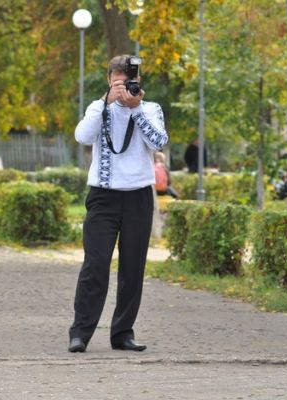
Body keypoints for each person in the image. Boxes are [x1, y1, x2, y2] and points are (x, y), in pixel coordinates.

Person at [69, 54, 168, 353]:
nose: (124, 89)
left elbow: (159, 142)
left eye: (130, 83)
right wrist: (105, 102)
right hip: (103, 196)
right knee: (95, 266)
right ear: (109, 81)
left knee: (132, 268)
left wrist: (136, 110)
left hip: (138, 195)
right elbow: (82, 136)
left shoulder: (150, 109)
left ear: (139, 82)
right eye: (118, 83)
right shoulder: (99, 108)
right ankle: (80, 333)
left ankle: (122, 333)